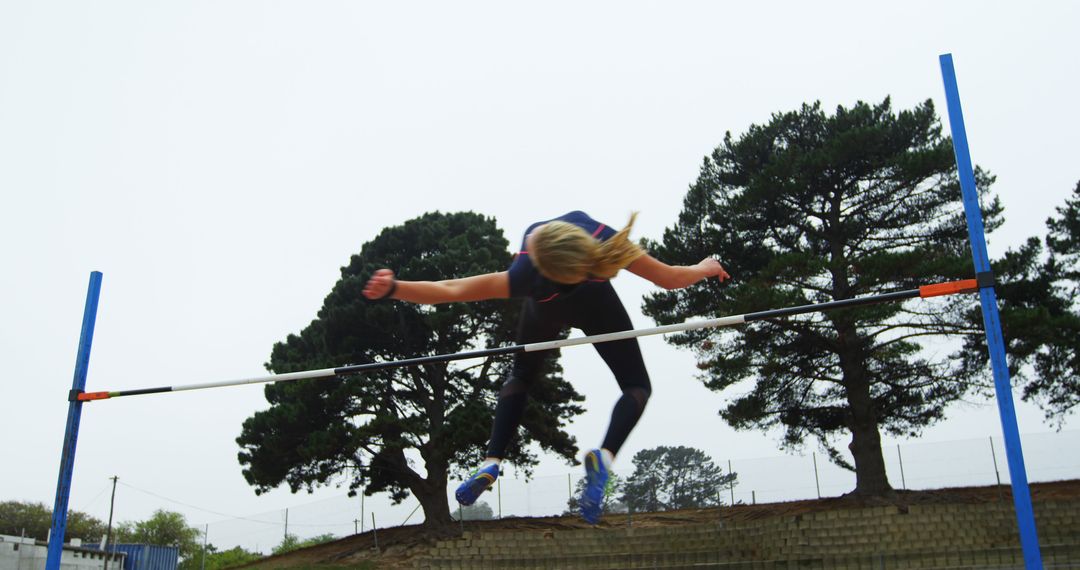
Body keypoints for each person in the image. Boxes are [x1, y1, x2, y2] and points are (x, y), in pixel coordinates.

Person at [362, 210, 730, 524]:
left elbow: (451, 289)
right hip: (596, 302)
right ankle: (603, 456)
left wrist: (395, 288)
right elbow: (670, 279)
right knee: (636, 386)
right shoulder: (601, 240)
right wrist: (705, 267)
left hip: (546, 306)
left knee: (520, 375)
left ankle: (491, 461)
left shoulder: (526, 273)